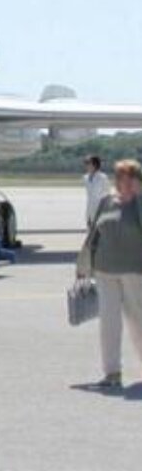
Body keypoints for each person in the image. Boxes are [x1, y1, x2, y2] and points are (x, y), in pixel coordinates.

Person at [77, 159, 142, 389]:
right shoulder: (106, 202)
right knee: (109, 322)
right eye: (121, 177)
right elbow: (94, 234)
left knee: (138, 321)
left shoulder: (139, 203)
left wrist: (138, 197)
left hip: (135, 270)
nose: (124, 182)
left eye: (129, 177)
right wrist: (83, 265)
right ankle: (112, 372)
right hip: (105, 270)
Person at [84, 154, 111, 229]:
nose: (86, 165)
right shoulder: (86, 177)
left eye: (88, 163)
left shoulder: (103, 177)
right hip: (89, 211)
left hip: (100, 211)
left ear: (95, 164)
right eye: (85, 163)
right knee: (90, 235)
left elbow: (107, 194)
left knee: (100, 236)